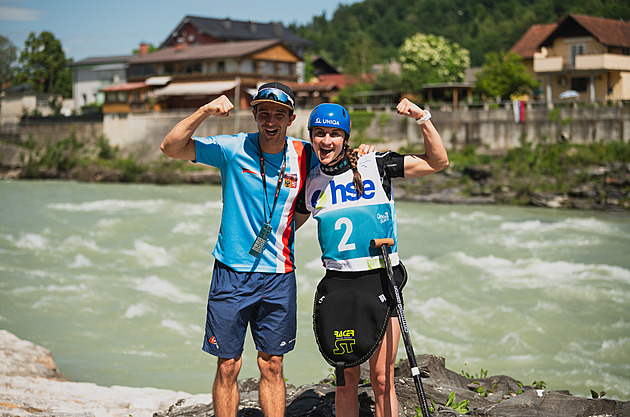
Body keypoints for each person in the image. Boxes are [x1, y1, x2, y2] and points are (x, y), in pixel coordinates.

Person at [160, 82, 316, 417]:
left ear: (291, 118)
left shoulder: (305, 155)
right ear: (255, 116)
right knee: (228, 365)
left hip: (279, 275)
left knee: (272, 364)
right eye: (263, 114)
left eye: (278, 114)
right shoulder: (233, 148)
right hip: (231, 274)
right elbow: (171, 147)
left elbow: (336, 171)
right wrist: (204, 111)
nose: (270, 121)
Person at [298, 99, 448, 417]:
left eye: (334, 134)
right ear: (311, 136)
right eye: (320, 133)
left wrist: (422, 118)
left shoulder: (376, 164)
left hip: (380, 280)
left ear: (345, 138)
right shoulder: (311, 183)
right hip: (338, 286)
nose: (327, 141)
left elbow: (438, 162)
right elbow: (285, 227)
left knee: (382, 379)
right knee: (345, 380)